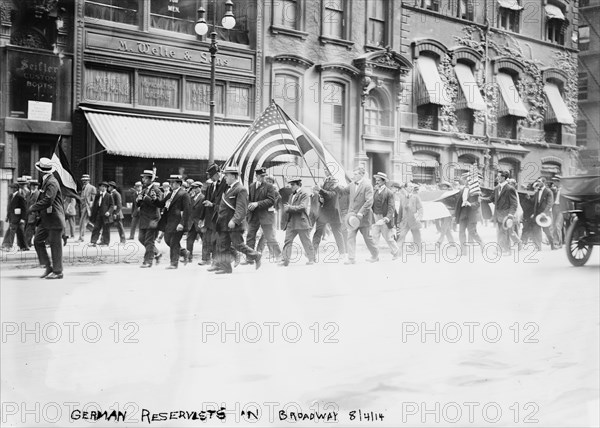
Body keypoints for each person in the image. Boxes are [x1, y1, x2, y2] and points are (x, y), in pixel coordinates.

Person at [213, 166, 262, 274]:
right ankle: (226, 268)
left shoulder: (241, 189)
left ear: (233, 176)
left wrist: (234, 220)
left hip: (233, 224)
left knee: (238, 245)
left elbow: (241, 209)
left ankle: (256, 256)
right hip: (224, 224)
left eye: (227, 175)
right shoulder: (228, 189)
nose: (225, 177)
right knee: (222, 246)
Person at [28, 158, 65, 279]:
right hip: (47, 219)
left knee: (55, 245)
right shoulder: (47, 181)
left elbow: (49, 200)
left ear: (41, 171)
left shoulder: (51, 182)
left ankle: (58, 271)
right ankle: (48, 266)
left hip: (54, 219)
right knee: (37, 240)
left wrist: (33, 207)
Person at [341, 166, 379, 265]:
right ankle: (351, 258)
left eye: (356, 174)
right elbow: (343, 191)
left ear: (362, 174)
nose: (354, 176)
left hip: (364, 217)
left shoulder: (367, 185)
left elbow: (369, 201)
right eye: (353, 174)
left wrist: (361, 212)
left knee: (367, 238)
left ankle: (375, 255)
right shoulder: (352, 184)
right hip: (352, 218)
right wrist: (335, 185)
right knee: (350, 237)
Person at [244, 167, 281, 264]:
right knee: (250, 236)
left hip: (265, 216)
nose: (263, 178)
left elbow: (271, 200)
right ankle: (250, 258)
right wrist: (250, 207)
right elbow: (250, 200)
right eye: (261, 176)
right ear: (256, 176)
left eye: (264, 176)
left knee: (269, 237)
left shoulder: (269, 186)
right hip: (254, 216)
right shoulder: (251, 186)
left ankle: (279, 256)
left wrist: (257, 204)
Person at [155, 175, 191, 269]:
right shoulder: (170, 194)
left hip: (178, 223)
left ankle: (174, 263)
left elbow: (187, 210)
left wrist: (182, 224)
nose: (171, 184)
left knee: (174, 242)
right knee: (167, 240)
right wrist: (154, 199)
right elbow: (161, 204)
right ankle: (183, 252)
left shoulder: (184, 194)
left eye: (173, 182)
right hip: (169, 223)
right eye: (170, 182)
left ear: (178, 183)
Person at [280, 177, 316, 266]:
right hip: (291, 222)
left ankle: (311, 258)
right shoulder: (291, 195)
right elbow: (289, 207)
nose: (291, 186)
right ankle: (285, 261)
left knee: (305, 241)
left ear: (298, 185)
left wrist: (290, 208)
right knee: (287, 241)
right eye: (290, 184)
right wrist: (287, 208)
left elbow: (303, 207)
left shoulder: (304, 194)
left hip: (301, 222)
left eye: (293, 185)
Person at [481, 170, 518, 255]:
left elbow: (514, 203)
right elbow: (491, 199)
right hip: (498, 214)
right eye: (497, 176)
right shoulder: (497, 188)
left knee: (503, 232)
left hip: (506, 215)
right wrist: (481, 199)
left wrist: (510, 215)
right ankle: (505, 250)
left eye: (499, 176)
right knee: (501, 232)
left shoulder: (510, 188)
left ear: (504, 177)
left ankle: (505, 250)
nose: (497, 178)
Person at [201, 163, 229, 268]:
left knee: (219, 241)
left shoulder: (226, 184)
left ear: (217, 174)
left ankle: (217, 262)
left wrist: (212, 204)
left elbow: (226, 203)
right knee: (211, 240)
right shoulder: (212, 184)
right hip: (211, 218)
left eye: (212, 175)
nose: (210, 178)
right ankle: (214, 262)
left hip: (221, 216)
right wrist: (202, 217)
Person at [312, 176, 346, 259]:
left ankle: (342, 252)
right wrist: (319, 194)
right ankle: (313, 252)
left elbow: (330, 195)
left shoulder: (337, 188)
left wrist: (320, 189)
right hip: (323, 213)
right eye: (327, 184)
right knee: (318, 233)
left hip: (333, 214)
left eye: (331, 184)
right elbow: (324, 196)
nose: (330, 185)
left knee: (337, 233)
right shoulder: (325, 186)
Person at [371, 172, 400, 260]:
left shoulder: (389, 193)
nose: (377, 182)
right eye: (376, 180)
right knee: (374, 236)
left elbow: (391, 207)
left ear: (384, 181)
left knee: (388, 237)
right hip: (375, 216)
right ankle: (375, 256)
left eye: (379, 180)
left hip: (384, 218)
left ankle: (396, 252)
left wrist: (387, 218)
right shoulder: (375, 191)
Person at [137, 170, 162, 268]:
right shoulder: (143, 190)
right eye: (143, 178)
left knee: (149, 241)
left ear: (151, 179)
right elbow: (139, 204)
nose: (143, 180)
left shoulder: (157, 190)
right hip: (144, 219)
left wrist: (145, 198)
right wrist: (138, 200)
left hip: (152, 219)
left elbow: (159, 204)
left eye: (146, 178)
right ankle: (157, 253)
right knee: (141, 238)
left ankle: (148, 261)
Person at [454, 176, 483, 254]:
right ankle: (464, 251)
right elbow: (458, 204)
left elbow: (477, 204)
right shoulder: (462, 190)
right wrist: (456, 215)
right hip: (462, 215)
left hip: (471, 214)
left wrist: (470, 204)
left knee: (472, 232)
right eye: (466, 180)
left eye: (469, 181)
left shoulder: (475, 191)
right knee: (461, 232)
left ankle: (481, 243)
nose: (467, 182)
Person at [396, 182, 424, 255]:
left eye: (412, 187)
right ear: (405, 188)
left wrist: (419, 217)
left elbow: (420, 208)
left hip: (414, 221)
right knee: (401, 236)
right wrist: (398, 221)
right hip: (404, 221)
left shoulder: (416, 197)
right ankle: (398, 252)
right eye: (410, 186)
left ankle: (419, 251)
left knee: (417, 237)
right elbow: (400, 210)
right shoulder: (402, 198)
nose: (411, 188)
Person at [531, 177, 557, 251]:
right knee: (537, 230)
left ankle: (552, 244)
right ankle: (538, 247)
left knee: (546, 230)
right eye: (537, 181)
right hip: (537, 214)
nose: (538, 183)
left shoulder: (548, 191)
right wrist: (534, 213)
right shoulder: (537, 191)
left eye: (539, 181)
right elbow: (535, 203)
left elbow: (550, 203)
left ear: (543, 183)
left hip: (545, 214)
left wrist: (544, 213)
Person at [2, 183, 28, 251]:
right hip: (12, 217)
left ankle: (7, 245)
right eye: (10, 188)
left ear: (16, 189)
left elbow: (24, 209)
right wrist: (7, 216)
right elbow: (9, 207)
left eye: (12, 188)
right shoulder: (10, 196)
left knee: (11, 230)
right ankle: (24, 247)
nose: (11, 189)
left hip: (18, 217)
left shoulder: (20, 197)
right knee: (20, 232)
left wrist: (22, 218)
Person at [89, 182, 114, 246]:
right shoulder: (98, 195)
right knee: (96, 228)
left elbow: (112, 206)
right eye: (101, 186)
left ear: (106, 188)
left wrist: (109, 212)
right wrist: (92, 214)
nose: (102, 188)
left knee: (106, 229)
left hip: (105, 215)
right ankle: (93, 241)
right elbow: (95, 205)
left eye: (103, 187)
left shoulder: (109, 196)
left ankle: (106, 242)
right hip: (98, 214)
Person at [185, 181, 205, 263]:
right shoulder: (191, 197)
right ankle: (189, 257)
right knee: (189, 239)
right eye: (193, 188)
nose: (195, 189)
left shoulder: (203, 197)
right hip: (191, 222)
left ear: (200, 188)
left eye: (196, 188)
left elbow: (204, 210)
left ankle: (205, 257)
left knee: (204, 240)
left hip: (199, 221)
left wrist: (203, 220)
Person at [78, 174, 96, 242]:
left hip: (87, 206)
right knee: (86, 222)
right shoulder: (83, 187)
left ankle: (81, 237)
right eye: (83, 180)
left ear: (89, 180)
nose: (84, 181)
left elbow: (94, 199)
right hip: (83, 206)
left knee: (82, 222)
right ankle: (96, 232)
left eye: (86, 180)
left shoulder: (92, 188)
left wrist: (91, 205)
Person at [25, 179, 40, 248]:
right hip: (28, 214)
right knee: (30, 229)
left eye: (35, 186)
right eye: (32, 185)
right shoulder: (28, 194)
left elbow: (39, 205)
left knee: (30, 229)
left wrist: (38, 214)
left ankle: (27, 243)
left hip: (34, 214)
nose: (33, 187)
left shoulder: (38, 194)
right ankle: (28, 242)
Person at [549, 177, 564, 248]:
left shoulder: (564, 190)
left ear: (558, 182)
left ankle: (559, 243)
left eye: (555, 181)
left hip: (561, 208)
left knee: (558, 225)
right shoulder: (554, 190)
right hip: (554, 207)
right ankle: (555, 242)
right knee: (553, 225)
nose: (554, 183)